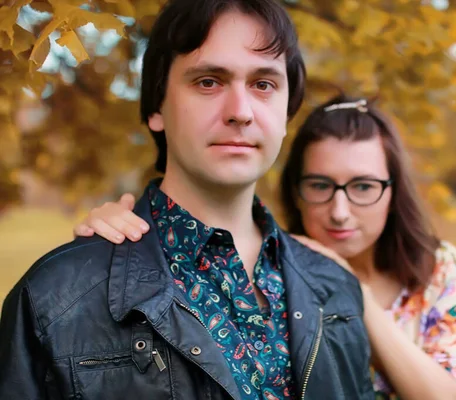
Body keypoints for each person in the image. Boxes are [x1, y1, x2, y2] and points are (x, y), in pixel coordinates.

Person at [0, 1, 375, 399]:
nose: (241, 112)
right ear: (157, 106)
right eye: (208, 82)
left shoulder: (335, 289)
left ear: (286, 113)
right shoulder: (56, 297)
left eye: (263, 84)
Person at [75, 94, 456, 399]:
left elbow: (445, 394)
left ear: (394, 191)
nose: (339, 211)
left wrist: (355, 293)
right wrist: (119, 233)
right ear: (295, 190)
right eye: (320, 186)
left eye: (363, 186)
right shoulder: (268, 269)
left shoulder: (435, 266)